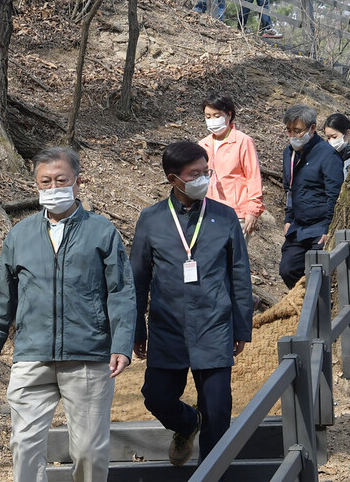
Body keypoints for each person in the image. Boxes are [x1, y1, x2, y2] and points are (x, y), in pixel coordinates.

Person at [0, 147, 136, 482]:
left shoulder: (101, 231)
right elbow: (3, 296)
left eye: (61, 180)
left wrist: (121, 344)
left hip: (88, 356)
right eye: (44, 182)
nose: (53, 188)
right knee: (24, 445)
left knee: (89, 452)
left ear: (78, 182)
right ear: (35, 184)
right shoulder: (20, 234)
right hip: (32, 356)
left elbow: (121, 292)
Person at [130, 141, 253, 470]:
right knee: (156, 397)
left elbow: (240, 275)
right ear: (174, 179)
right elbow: (138, 279)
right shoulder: (152, 219)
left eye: (206, 171)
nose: (203, 179)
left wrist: (242, 326)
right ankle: (186, 424)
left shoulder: (225, 217)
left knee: (217, 408)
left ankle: (212, 474)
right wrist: (135, 330)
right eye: (194, 174)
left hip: (214, 324)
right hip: (167, 326)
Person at [280, 105, 344, 288]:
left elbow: (335, 195)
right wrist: (288, 218)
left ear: (312, 128)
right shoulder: (288, 153)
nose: (293, 136)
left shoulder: (328, 155)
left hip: (319, 227)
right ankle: (305, 307)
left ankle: (318, 312)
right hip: (297, 227)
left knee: (318, 274)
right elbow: (289, 188)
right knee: (287, 269)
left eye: (298, 131)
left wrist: (327, 228)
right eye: (289, 130)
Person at [197, 93, 264, 242]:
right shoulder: (203, 144)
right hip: (209, 212)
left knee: (232, 260)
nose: (212, 121)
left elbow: (253, 177)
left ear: (229, 115)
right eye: (208, 117)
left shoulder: (243, 142)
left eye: (217, 115)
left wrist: (253, 211)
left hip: (236, 214)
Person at [323, 113, 350, 178]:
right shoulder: (328, 157)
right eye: (328, 138)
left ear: (348, 133)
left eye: (334, 137)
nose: (331, 141)